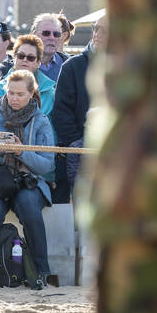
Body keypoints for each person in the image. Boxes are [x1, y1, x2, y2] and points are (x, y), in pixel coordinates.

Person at [0, 70, 55, 290]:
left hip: (26, 180)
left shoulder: (40, 120)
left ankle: (42, 271)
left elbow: (46, 164)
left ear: (31, 94)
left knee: (30, 208)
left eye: (20, 94)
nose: (14, 98)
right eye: (11, 93)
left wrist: (20, 151)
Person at [51, 14, 108, 202]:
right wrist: (78, 145)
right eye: (95, 28)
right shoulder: (72, 67)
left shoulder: (130, 69)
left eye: (105, 30)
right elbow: (61, 113)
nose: (97, 34)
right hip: (81, 154)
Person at [0, 35, 56, 116]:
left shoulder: (49, 93)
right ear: (14, 58)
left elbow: (52, 127)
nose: (25, 60)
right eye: (21, 56)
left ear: (38, 62)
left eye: (31, 57)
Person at [31, 13, 70, 82]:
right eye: (46, 33)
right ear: (34, 34)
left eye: (56, 34)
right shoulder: (20, 63)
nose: (52, 38)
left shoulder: (69, 65)